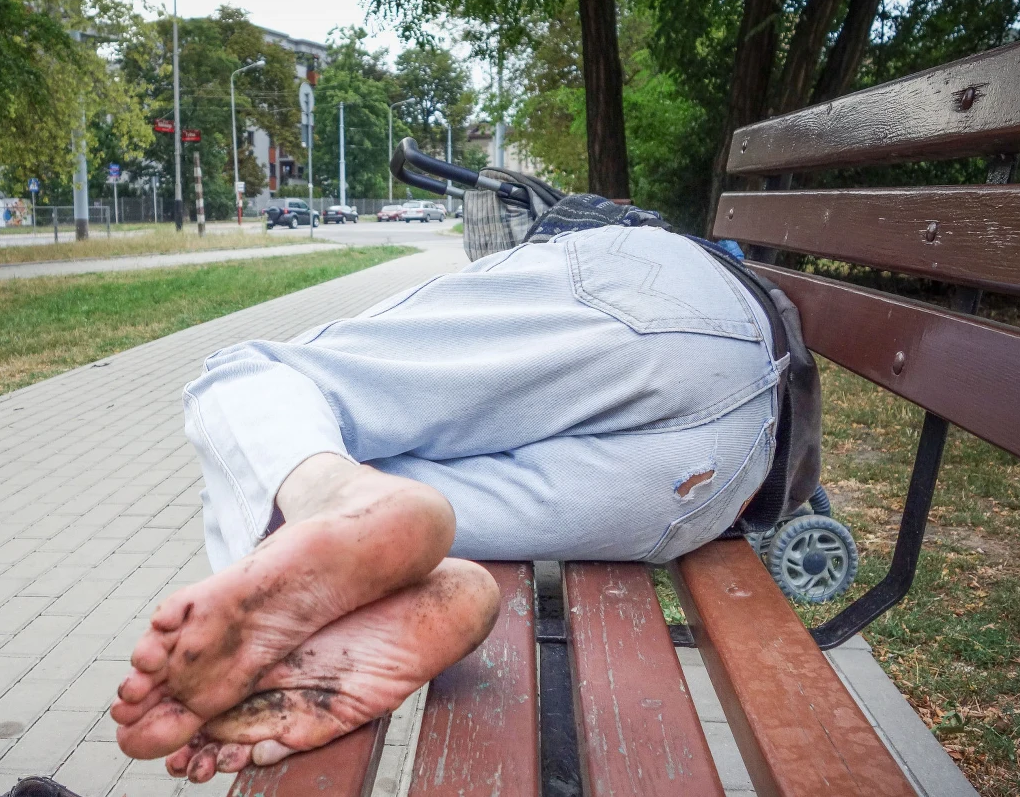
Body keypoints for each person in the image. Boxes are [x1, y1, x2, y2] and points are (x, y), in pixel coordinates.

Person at [111, 222, 787, 783]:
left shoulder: (592, 251)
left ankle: (329, 499)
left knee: (260, 381)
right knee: (362, 483)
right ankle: (387, 560)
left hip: (678, 312)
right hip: (714, 484)